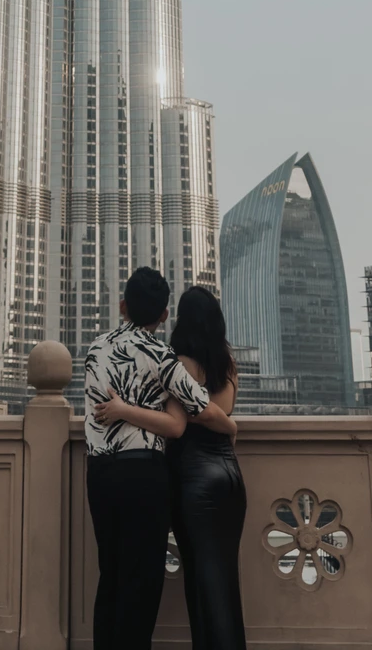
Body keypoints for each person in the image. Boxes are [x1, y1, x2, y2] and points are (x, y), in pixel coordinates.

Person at [84, 267, 237, 650]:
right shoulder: (162, 355)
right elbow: (200, 411)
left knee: (110, 574)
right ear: (165, 315)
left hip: (99, 472)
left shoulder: (96, 348)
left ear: (123, 306)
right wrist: (231, 427)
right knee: (141, 582)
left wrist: (121, 410)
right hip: (143, 474)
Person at [166, 285, 247, 650]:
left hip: (195, 476)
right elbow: (222, 409)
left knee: (203, 585)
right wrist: (230, 426)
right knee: (225, 581)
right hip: (229, 475)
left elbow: (196, 413)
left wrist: (228, 426)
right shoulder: (228, 363)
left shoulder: (181, 363)